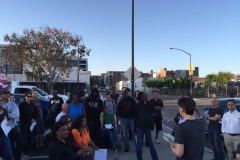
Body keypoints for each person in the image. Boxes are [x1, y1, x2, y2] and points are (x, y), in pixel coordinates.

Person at [0, 89, 24, 160]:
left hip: (12, 127)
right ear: (1, 95)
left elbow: (15, 114)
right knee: (9, 145)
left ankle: (17, 157)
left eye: (8, 93)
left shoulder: (12, 104)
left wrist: (7, 117)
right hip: (3, 131)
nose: (7, 95)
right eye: (5, 93)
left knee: (21, 141)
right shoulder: (1, 105)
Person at [134, 91, 158, 160]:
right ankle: (139, 158)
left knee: (150, 143)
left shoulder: (149, 103)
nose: (142, 98)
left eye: (143, 97)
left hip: (147, 127)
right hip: (139, 127)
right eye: (140, 97)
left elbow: (152, 111)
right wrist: (134, 128)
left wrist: (146, 104)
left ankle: (155, 158)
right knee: (139, 144)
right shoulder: (137, 105)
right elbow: (135, 116)